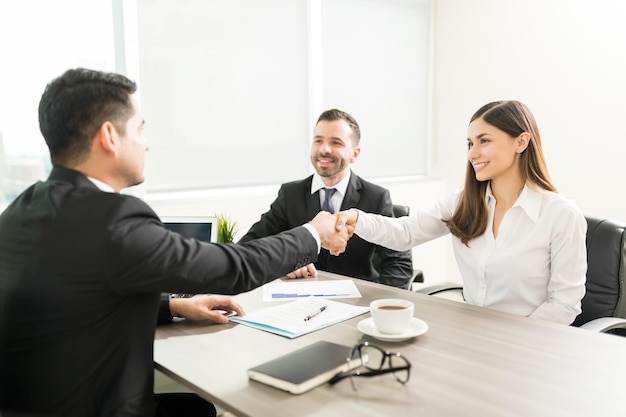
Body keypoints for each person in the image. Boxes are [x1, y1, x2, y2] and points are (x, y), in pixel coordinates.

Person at [0, 68, 349, 417]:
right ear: (109, 136)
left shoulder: (21, 210)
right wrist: (313, 233)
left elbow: (76, 298)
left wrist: (174, 307)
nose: (146, 142)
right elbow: (234, 268)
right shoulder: (113, 220)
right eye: (139, 129)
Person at [336, 100, 587, 325]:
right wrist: (356, 218)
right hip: (475, 333)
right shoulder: (463, 202)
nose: (472, 153)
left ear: (520, 142)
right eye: (470, 143)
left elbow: (565, 304)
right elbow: (405, 232)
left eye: (484, 140)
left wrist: (512, 338)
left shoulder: (560, 214)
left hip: (531, 344)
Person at [239, 109, 413, 288]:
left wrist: (376, 308)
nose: (324, 149)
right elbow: (251, 245)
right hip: (301, 300)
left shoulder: (376, 197)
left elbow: (398, 265)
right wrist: (286, 263)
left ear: (355, 154)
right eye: (318, 140)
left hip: (358, 301)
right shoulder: (290, 194)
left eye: (336, 142)